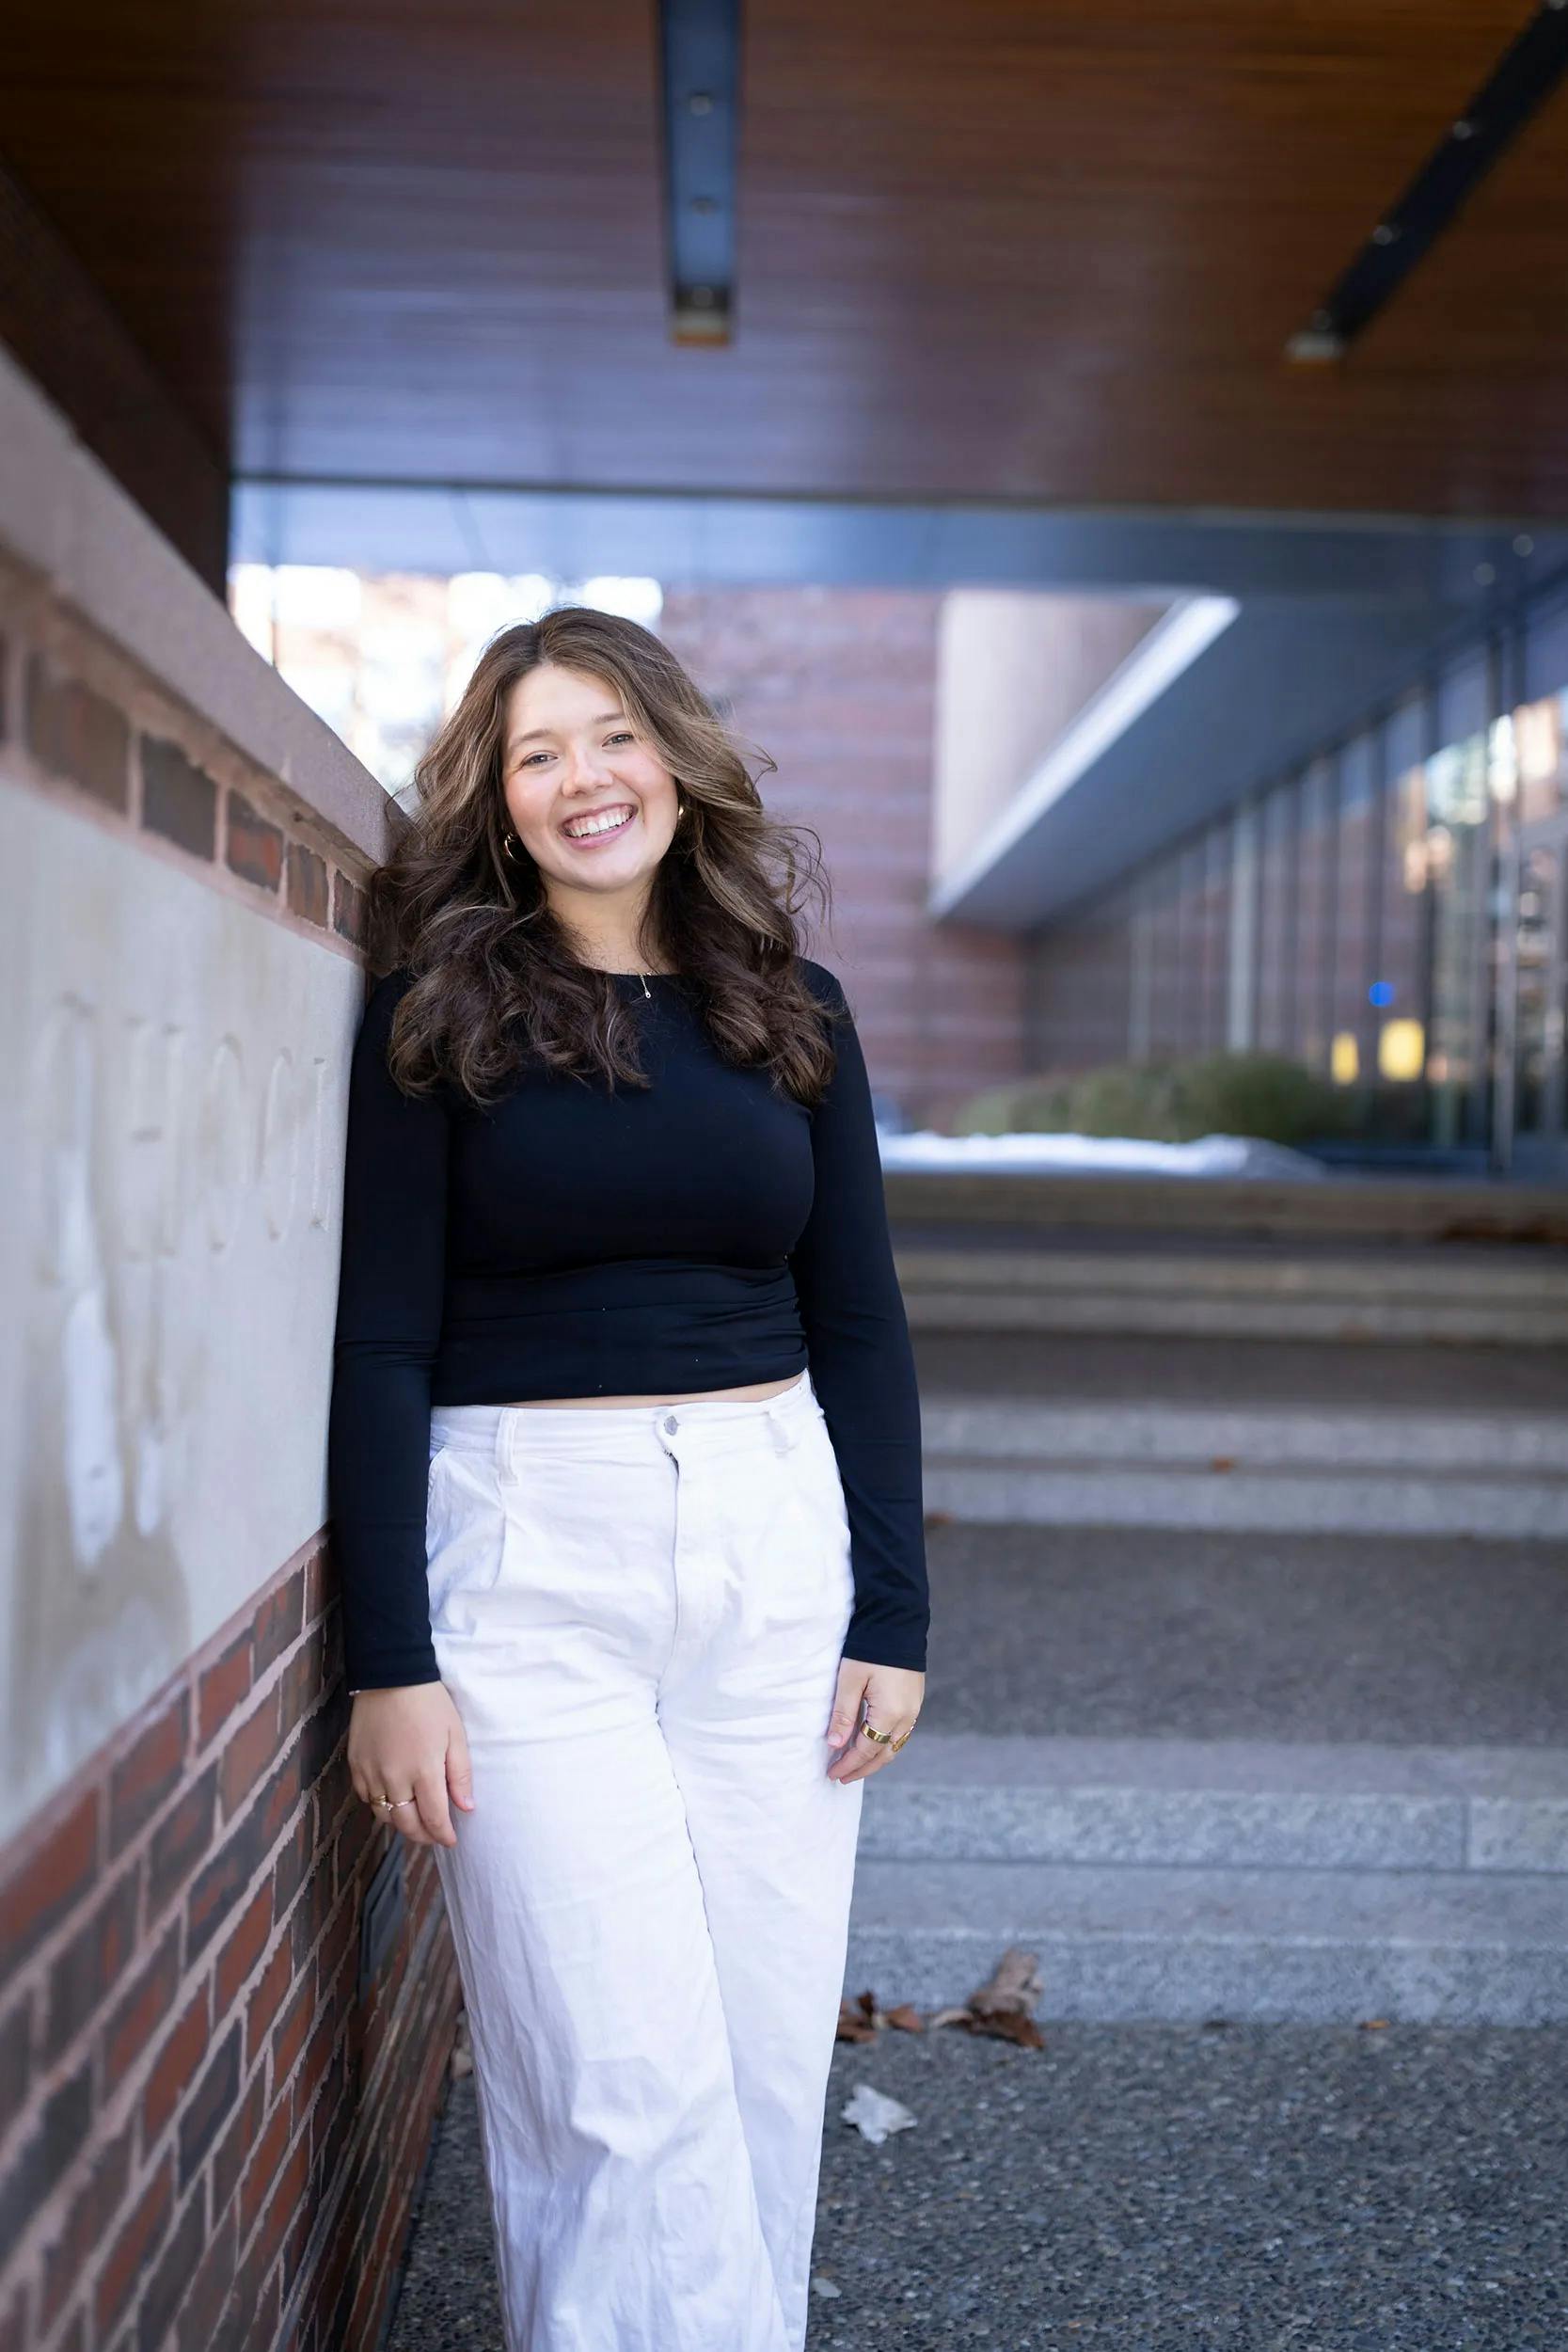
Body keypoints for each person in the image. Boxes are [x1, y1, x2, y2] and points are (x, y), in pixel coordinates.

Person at [326, 604, 929, 2352]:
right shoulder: (438, 1013)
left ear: (674, 756)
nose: (585, 778)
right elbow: (381, 1344)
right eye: (538, 753)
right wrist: (392, 1661)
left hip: (768, 1537)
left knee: (748, 2062)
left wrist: (893, 1607)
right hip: (524, 1551)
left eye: (611, 736)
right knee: (608, 2082)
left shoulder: (788, 1007)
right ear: (499, 802)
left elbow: (866, 1325)